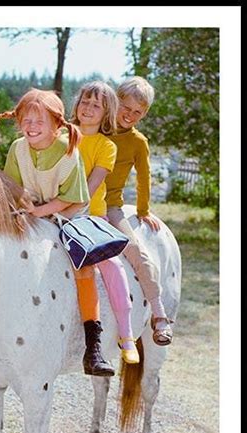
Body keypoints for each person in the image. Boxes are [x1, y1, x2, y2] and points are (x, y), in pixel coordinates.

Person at [0, 88, 115, 377]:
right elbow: (13, 188)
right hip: (34, 209)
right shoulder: (18, 148)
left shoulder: (69, 152)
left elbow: (72, 198)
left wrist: (40, 212)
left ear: (57, 125)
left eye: (39, 121)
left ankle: (93, 345)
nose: (31, 127)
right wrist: (24, 205)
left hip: (69, 213)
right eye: (26, 120)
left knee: (84, 267)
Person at [71, 80, 139, 364]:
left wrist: (65, 211)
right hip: (54, 213)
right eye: (85, 101)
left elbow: (88, 189)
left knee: (110, 264)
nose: (88, 108)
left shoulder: (106, 146)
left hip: (89, 217)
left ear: (106, 112)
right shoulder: (62, 135)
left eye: (95, 105)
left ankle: (126, 333)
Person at [105, 76, 173, 345]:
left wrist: (143, 210)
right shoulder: (96, 128)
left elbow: (144, 178)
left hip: (110, 207)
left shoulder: (138, 142)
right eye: (126, 108)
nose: (130, 116)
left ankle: (159, 313)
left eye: (138, 113)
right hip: (77, 202)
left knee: (136, 252)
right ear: (115, 101)